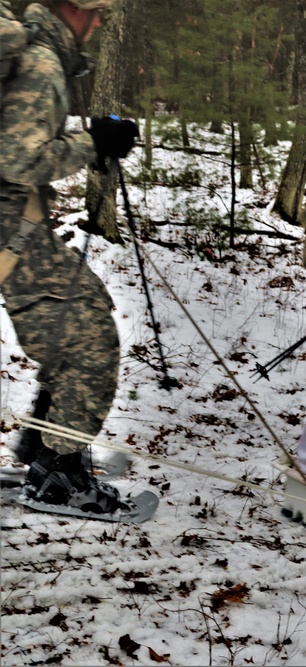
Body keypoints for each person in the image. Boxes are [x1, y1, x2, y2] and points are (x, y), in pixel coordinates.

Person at [1, 0, 139, 515]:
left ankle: (45, 446)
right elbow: (17, 159)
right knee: (89, 342)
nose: (99, 22)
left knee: (74, 319)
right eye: (93, 11)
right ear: (67, 9)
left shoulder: (32, 57)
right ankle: (59, 473)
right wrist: (91, 142)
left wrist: (92, 140)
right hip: (9, 231)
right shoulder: (41, 63)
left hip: (18, 226)